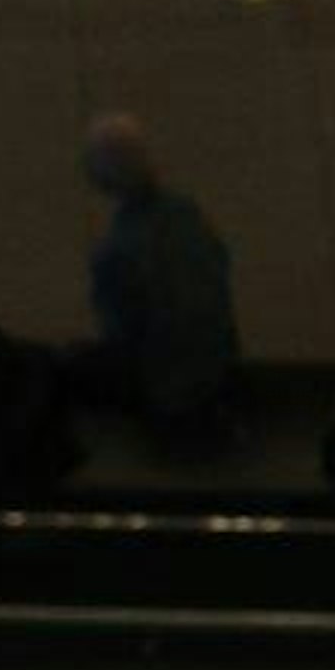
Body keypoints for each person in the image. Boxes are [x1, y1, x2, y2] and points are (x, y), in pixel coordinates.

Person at [67, 112, 240, 445]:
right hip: (218, 377)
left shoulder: (115, 252)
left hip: (169, 398)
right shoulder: (187, 214)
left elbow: (122, 338)